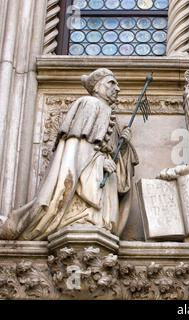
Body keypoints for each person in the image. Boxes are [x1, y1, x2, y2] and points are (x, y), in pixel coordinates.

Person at [0, 68, 138, 240]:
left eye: (117, 84)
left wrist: (123, 145)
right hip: (89, 174)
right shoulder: (89, 104)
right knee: (85, 221)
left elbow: (113, 154)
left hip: (104, 177)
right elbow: (78, 149)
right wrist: (99, 163)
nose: (117, 88)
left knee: (101, 226)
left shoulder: (110, 115)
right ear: (96, 87)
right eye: (111, 83)